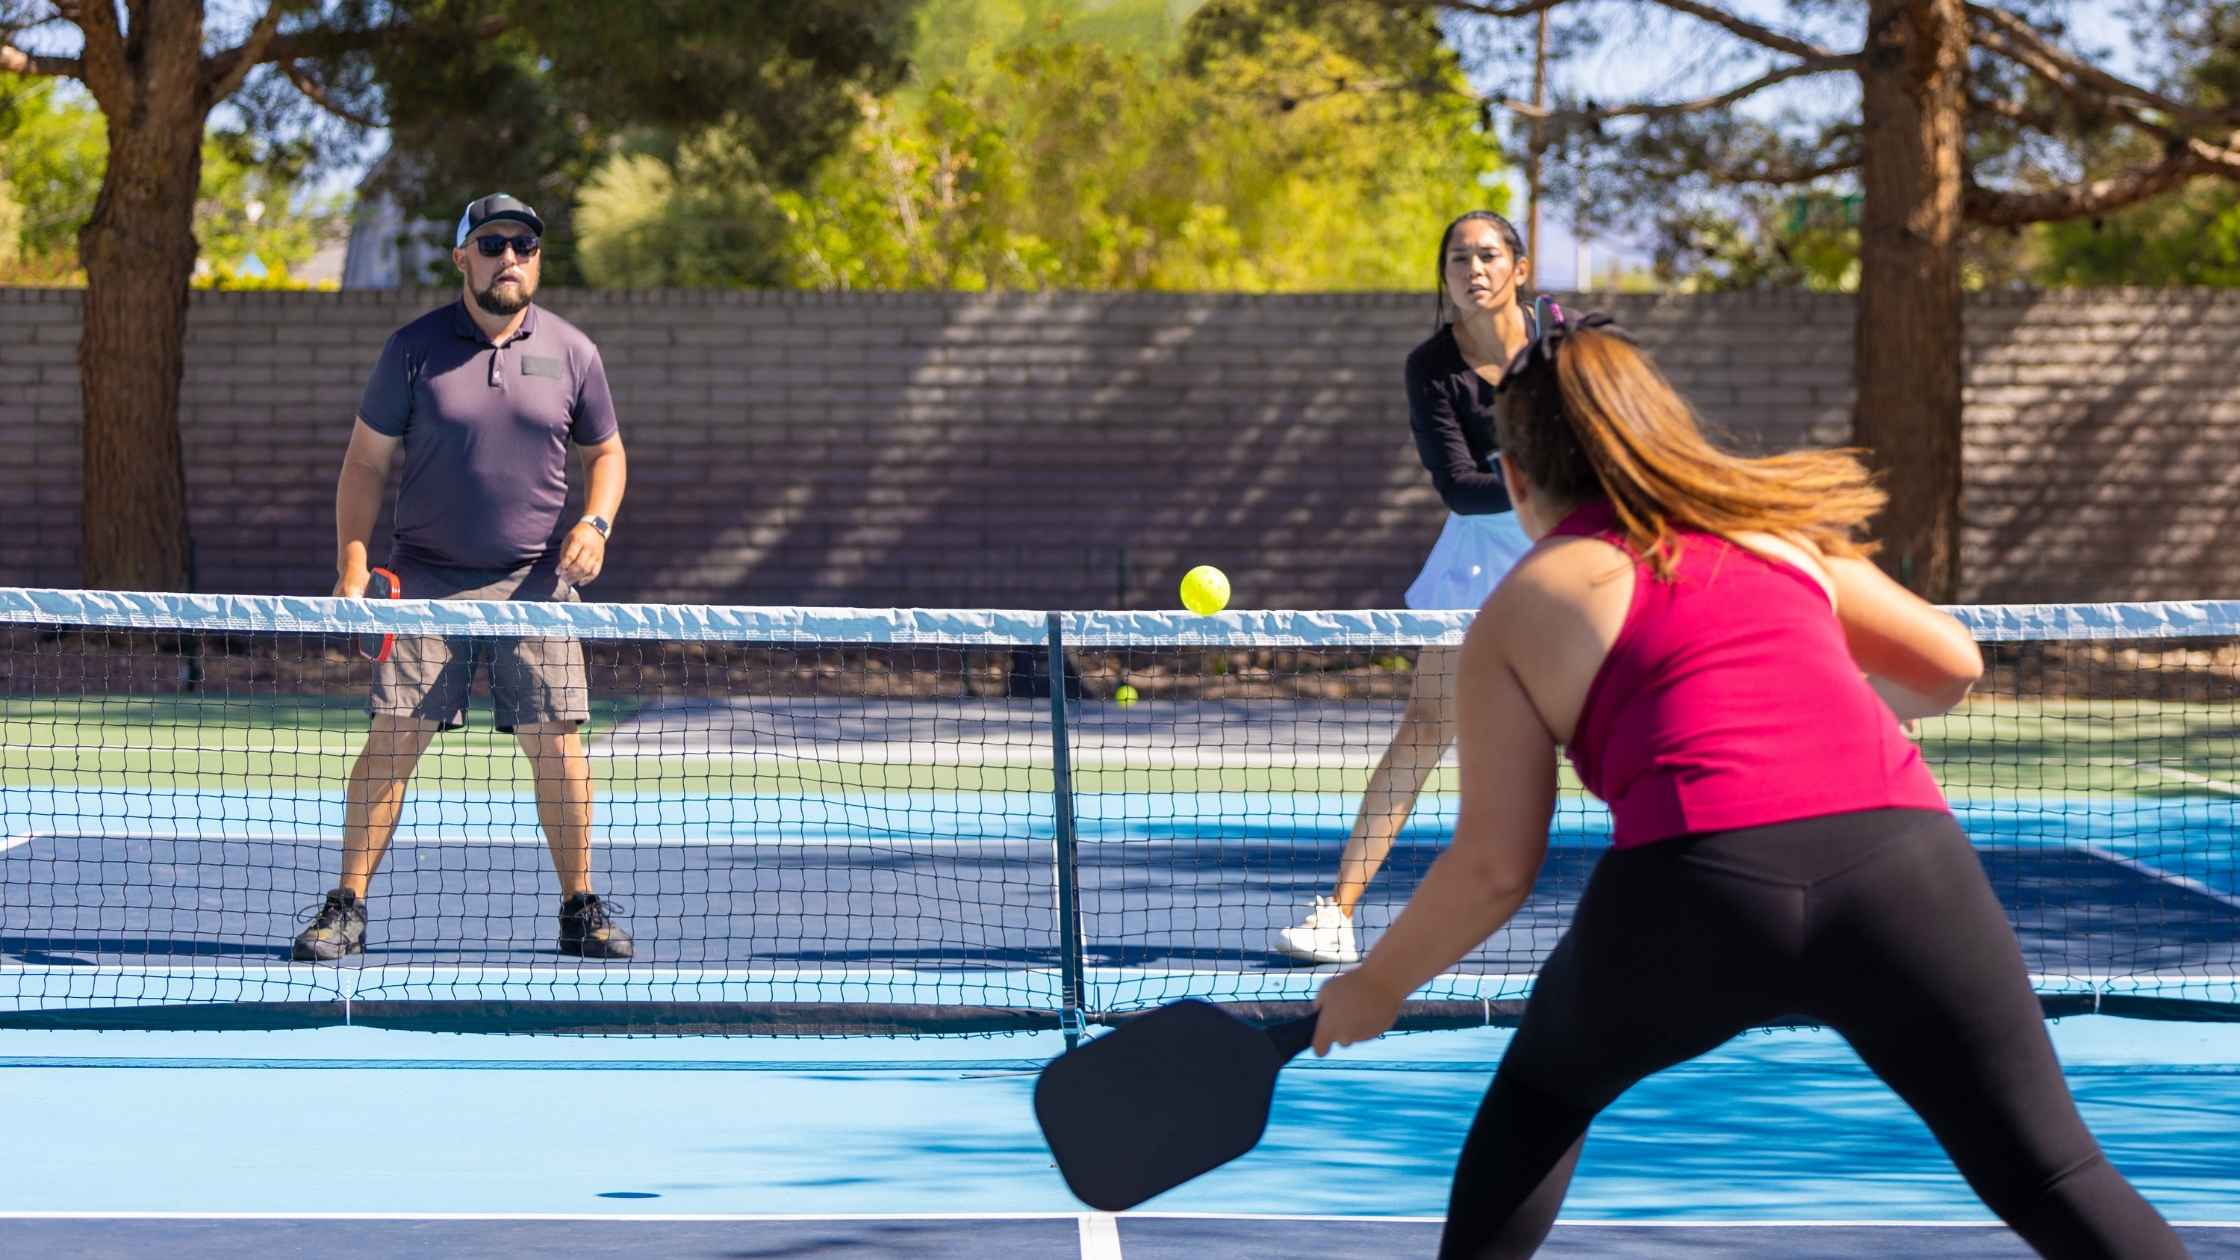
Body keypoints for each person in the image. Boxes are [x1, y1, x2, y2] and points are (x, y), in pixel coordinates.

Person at [1310, 314, 2187, 1259]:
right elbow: (1950, 666)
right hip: (1903, 864)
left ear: (1516, 479)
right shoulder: (1775, 535)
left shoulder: (1521, 606)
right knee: (2051, 1172)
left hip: (1697, 884)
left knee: (1538, 1104)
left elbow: (1495, 867)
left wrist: (1378, 985)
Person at [293, 193, 636, 963]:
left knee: (559, 745)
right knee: (395, 738)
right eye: (492, 243)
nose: (509, 257)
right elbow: (364, 461)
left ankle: (581, 908)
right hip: (424, 581)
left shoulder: (573, 352)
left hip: (536, 585)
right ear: (462, 258)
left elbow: (606, 454)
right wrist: (352, 561)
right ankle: (347, 905)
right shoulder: (412, 350)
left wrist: (596, 524)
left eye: (524, 245)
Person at [1274, 211, 1546, 965]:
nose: (1473, 269)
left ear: (1519, 268)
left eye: (1488, 255)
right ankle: (1336, 913)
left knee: (1626, 725)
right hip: (1479, 561)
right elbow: (1459, 487)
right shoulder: (1431, 367)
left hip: (1575, 553)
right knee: (1427, 727)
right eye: (1458, 259)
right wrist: (1551, 484)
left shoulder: (1565, 342)